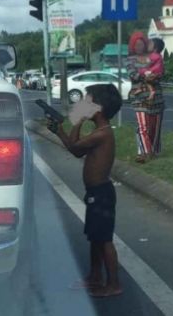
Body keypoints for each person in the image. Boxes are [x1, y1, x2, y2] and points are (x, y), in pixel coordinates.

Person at [46, 84, 123, 298]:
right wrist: (60, 131)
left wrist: (77, 121)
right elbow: (77, 151)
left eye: (87, 102)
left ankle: (113, 283)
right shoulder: (99, 132)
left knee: (104, 239)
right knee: (94, 237)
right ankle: (95, 276)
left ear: (97, 109)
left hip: (101, 193)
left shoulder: (103, 134)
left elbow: (75, 148)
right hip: (95, 193)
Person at [126, 32, 165, 164]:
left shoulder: (154, 57)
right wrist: (145, 77)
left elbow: (160, 73)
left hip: (156, 98)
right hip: (139, 98)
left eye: (141, 44)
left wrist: (154, 76)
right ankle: (145, 152)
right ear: (132, 46)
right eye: (136, 44)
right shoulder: (130, 60)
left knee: (155, 127)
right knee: (142, 126)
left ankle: (153, 151)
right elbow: (133, 74)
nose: (139, 46)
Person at [129, 37, 165, 103]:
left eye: (150, 44)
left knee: (142, 74)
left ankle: (144, 89)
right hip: (154, 71)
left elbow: (148, 62)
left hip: (153, 71)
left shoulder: (154, 55)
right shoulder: (158, 55)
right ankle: (145, 89)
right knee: (145, 79)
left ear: (155, 48)